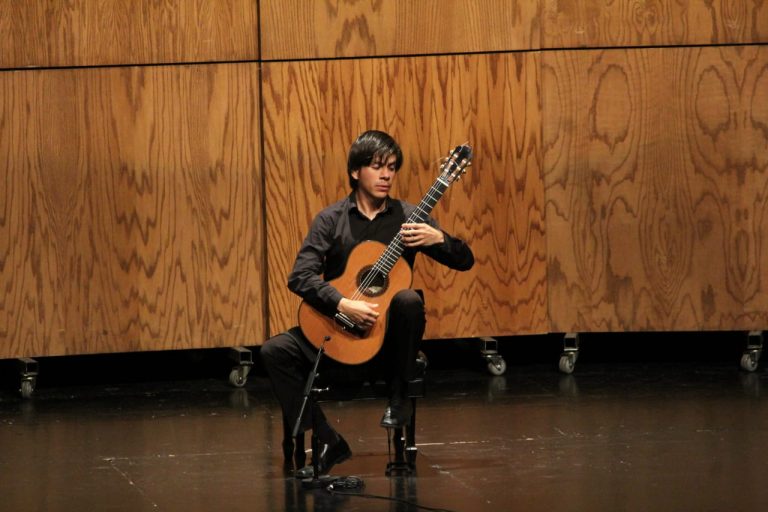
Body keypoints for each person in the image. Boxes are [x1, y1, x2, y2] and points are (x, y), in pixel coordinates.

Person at [261, 130, 474, 478]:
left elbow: (466, 261)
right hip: (337, 337)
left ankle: (400, 396)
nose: (387, 174)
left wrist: (441, 239)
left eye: (392, 167)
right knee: (273, 351)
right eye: (377, 167)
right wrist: (343, 303)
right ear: (356, 172)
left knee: (407, 299)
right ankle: (328, 439)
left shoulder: (410, 217)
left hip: (387, 346)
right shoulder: (331, 220)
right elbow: (299, 276)